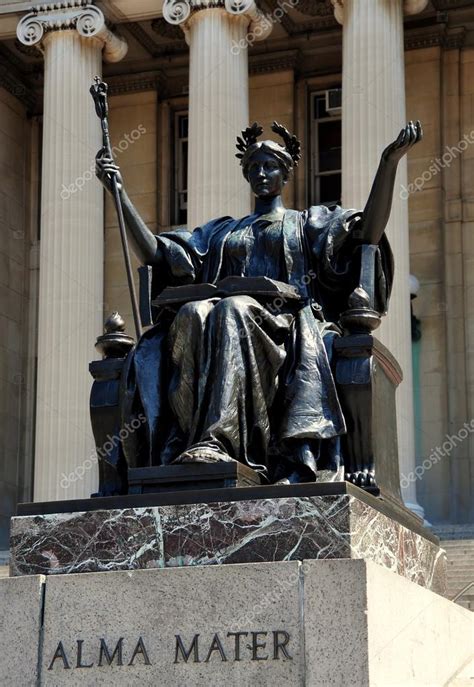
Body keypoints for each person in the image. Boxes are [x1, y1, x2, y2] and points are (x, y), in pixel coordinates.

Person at [95, 120, 422, 485]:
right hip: (222, 324)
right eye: (254, 168)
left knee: (234, 307)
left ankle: (218, 440)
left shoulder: (307, 223)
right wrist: (119, 196)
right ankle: (181, 446)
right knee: (192, 312)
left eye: (270, 167)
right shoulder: (222, 232)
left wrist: (388, 163)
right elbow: (158, 254)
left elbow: (367, 232)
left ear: (286, 173)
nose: (262, 174)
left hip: (288, 326)